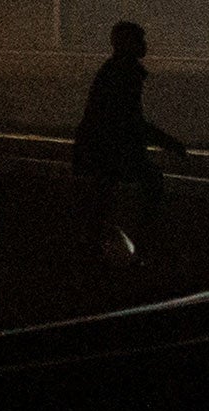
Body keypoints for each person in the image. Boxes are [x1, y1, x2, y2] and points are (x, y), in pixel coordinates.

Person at [72, 20, 187, 256]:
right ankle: (143, 237)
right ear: (128, 44)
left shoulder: (113, 70)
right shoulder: (125, 74)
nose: (145, 45)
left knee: (103, 195)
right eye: (140, 40)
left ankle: (94, 242)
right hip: (111, 147)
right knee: (149, 181)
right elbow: (130, 119)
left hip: (100, 146)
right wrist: (169, 143)